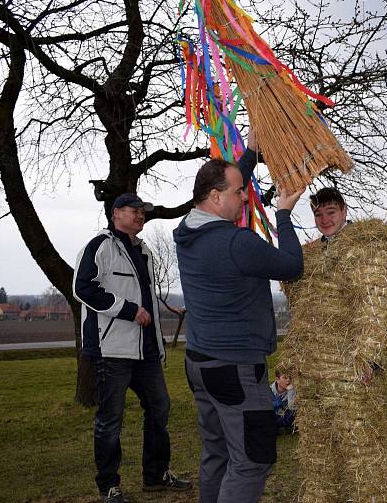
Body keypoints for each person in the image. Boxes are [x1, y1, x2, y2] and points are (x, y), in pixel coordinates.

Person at [174, 135, 304, 503]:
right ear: (215, 197)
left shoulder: (188, 230)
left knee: (217, 453)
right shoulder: (236, 243)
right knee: (251, 459)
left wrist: (251, 153)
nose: (246, 197)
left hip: (200, 363)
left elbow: (227, 182)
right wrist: (283, 214)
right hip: (235, 368)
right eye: (239, 193)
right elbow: (292, 266)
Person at [278, 187, 387, 502]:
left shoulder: (367, 248)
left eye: (331, 212)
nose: (324, 220)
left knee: (361, 456)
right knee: (318, 457)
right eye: (318, 214)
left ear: (344, 210)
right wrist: (289, 364)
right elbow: (303, 317)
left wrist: (369, 357)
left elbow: (373, 309)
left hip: (348, 373)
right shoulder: (308, 255)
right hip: (311, 374)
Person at [74, 192, 191, 503]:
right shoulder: (99, 246)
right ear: (116, 214)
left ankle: (155, 476)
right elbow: (82, 288)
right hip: (111, 349)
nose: (140, 215)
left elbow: (149, 301)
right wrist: (127, 310)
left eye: (143, 212)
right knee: (110, 419)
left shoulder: (144, 251)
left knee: (159, 407)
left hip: (146, 351)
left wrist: (158, 342)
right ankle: (109, 486)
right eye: (133, 210)